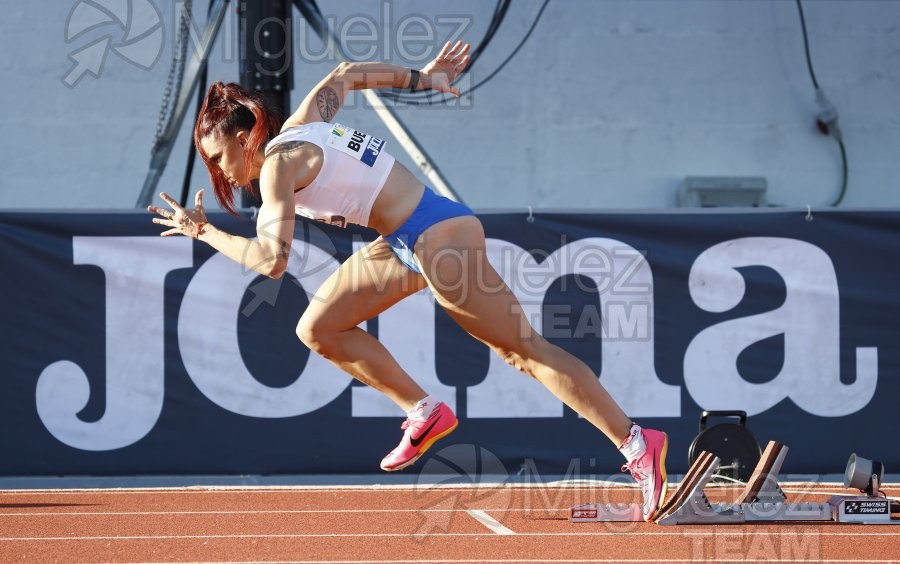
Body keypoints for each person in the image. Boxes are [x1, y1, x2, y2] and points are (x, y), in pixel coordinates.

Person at [148, 41, 669, 521]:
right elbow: (346, 75)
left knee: (523, 351)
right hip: (401, 242)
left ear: (244, 139)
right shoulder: (302, 125)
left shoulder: (276, 167)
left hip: (437, 237)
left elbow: (271, 260)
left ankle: (638, 444)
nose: (221, 172)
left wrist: (205, 233)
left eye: (218, 158)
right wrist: (425, 77)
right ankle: (424, 410)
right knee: (319, 328)